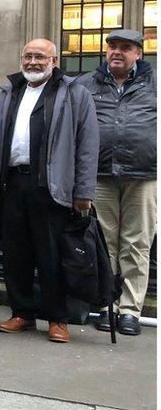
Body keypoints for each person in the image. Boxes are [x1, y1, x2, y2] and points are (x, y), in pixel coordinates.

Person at [0, 38, 99, 343]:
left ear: (54, 61)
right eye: (28, 56)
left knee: (51, 255)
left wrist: (83, 191)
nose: (33, 62)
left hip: (52, 185)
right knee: (16, 254)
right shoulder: (10, 91)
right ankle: (22, 313)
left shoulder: (74, 93)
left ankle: (57, 318)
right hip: (12, 183)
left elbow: (87, 146)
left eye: (40, 57)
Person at [76, 29, 156, 336]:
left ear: (138, 53)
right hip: (98, 173)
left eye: (125, 47)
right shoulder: (86, 83)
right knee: (103, 242)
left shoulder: (154, 82)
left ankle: (130, 310)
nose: (117, 52)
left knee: (137, 243)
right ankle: (107, 305)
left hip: (145, 173)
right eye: (112, 47)